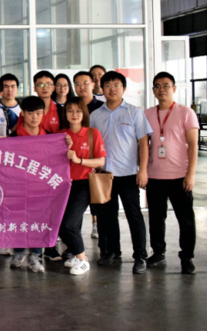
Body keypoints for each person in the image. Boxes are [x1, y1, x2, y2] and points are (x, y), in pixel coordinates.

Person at [90, 71, 152, 274]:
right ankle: (113, 252)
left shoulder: (134, 112)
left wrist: (143, 170)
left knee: (134, 216)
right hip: (105, 174)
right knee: (108, 217)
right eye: (108, 85)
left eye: (116, 85)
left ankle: (140, 256)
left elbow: (143, 143)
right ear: (102, 89)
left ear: (124, 88)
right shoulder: (95, 115)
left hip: (128, 174)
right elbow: (91, 143)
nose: (112, 89)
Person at [144, 72, 198, 274]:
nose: (162, 89)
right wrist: (143, 170)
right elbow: (142, 145)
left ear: (174, 89)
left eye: (166, 85)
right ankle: (158, 253)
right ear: (153, 90)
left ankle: (187, 257)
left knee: (185, 219)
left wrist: (190, 174)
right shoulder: (148, 114)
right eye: (157, 86)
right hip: (155, 176)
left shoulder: (186, 113)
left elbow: (193, 145)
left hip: (179, 176)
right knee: (156, 219)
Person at [60, 97, 106, 276]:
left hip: (84, 183)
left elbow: (100, 160)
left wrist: (78, 160)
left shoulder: (92, 133)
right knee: (67, 224)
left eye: (78, 111)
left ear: (84, 113)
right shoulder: (61, 135)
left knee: (68, 224)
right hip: (64, 185)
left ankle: (83, 260)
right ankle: (76, 255)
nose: (74, 114)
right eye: (70, 110)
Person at [9, 96, 48, 273]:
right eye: (30, 113)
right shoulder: (14, 137)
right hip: (18, 188)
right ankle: (19, 252)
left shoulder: (50, 137)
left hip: (41, 189)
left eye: (38, 113)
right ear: (23, 113)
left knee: (39, 222)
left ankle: (35, 255)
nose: (34, 117)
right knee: (18, 220)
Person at [72, 70, 105, 239]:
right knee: (74, 211)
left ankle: (96, 225)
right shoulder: (71, 107)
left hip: (97, 160)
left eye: (85, 83)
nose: (81, 87)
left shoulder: (101, 107)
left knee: (98, 200)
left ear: (93, 84)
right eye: (77, 84)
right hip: (76, 166)